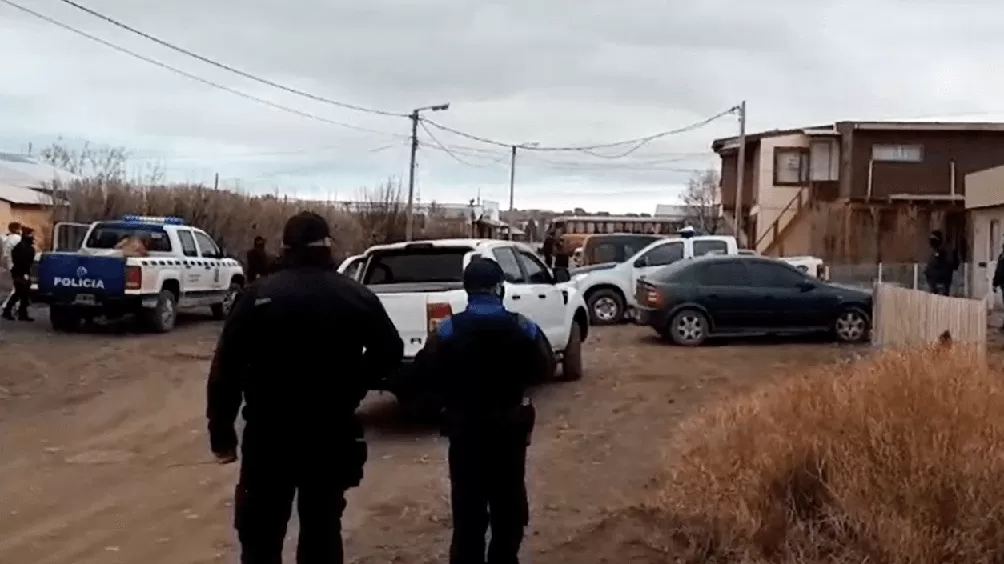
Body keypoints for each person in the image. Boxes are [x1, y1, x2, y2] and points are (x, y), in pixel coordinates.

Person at [206, 211, 404, 564]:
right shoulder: (355, 295)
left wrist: (221, 435)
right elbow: (390, 352)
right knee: (322, 528)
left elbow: (226, 368)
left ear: (284, 246)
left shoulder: (256, 296)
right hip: (330, 432)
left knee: (261, 535)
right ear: (326, 245)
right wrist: (354, 384)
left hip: (268, 436)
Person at [411, 257, 553, 564]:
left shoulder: (448, 329)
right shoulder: (522, 326)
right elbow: (545, 368)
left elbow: (423, 372)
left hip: (465, 432)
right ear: (500, 287)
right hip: (509, 433)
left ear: (467, 289)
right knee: (509, 508)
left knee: (467, 513)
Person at [3, 227, 34, 322]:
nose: (33, 236)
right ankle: (10, 311)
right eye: (31, 234)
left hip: (18, 272)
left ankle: (19, 313)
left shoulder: (23, 246)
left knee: (21, 293)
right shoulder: (23, 247)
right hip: (21, 273)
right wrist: (25, 273)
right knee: (20, 293)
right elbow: (23, 261)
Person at [924, 230, 956, 296]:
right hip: (935, 282)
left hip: (941, 282)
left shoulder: (943, 251)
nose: (930, 242)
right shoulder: (936, 251)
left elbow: (947, 266)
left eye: (932, 239)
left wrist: (933, 274)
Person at [994, 242, 1004, 332]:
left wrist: (995, 284)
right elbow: (998, 271)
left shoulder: (1001, 257)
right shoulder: (1001, 257)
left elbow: (999, 271)